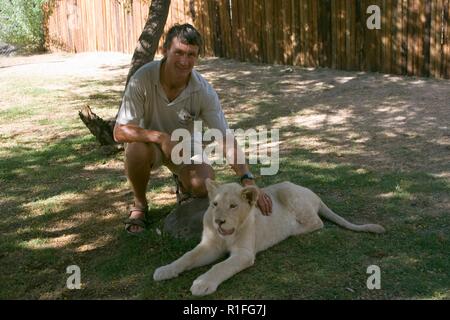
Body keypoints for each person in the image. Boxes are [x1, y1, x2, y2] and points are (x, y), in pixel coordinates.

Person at [114, 23, 272, 234]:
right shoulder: (142, 78)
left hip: (186, 147)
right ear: (165, 50)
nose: (184, 61)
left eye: (191, 54)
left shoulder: (203, 90)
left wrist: (247, 179)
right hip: (150, 145)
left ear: (197, 56)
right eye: (178, 52)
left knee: (202, 184)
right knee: (135, 149)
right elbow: (119, 131)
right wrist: (161, 138)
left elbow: (224, 137)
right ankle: (140, 205)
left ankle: (184, 184)